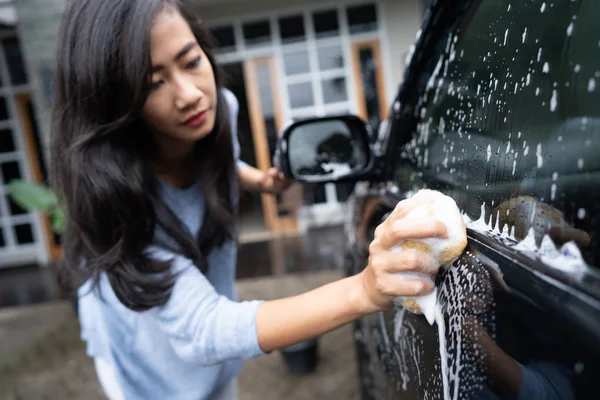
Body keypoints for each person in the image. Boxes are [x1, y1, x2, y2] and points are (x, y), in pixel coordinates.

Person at [51, 1, 446, 399]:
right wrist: (362, 291)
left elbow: (219, 159)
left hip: (213, 356)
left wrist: (260, 181)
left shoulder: (218, 109)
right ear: (115, 103)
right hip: (148, 364)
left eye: (190, 62)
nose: (190, 95)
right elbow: (207, 329)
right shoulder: (125, 211)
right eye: (153, 83)